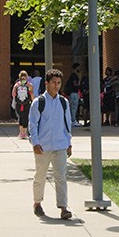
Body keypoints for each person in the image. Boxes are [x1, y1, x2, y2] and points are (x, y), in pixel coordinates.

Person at [28, 69, 74, 220]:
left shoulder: (63, 102)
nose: (56, 85)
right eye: (53, 82)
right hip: (43, 146)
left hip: (60, 145)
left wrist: (68, 143)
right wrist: (35, 142)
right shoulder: (39, 102)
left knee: (60, 177)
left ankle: (63, 207)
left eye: (59, 83)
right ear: (46, 83)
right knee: (40, 176)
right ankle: (37, 203)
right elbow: (32, 124)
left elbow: (67, 124)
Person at [12, 70, 35, 139]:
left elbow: (13, 94)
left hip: (19, 104)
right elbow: (31, 94)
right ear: (26, 76)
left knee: (20, 117)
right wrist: (33, 101)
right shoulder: (29, 84)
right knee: (26, 117)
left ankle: (21, 133)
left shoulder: (17, 85)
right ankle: (24, 133)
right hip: (27, 103)